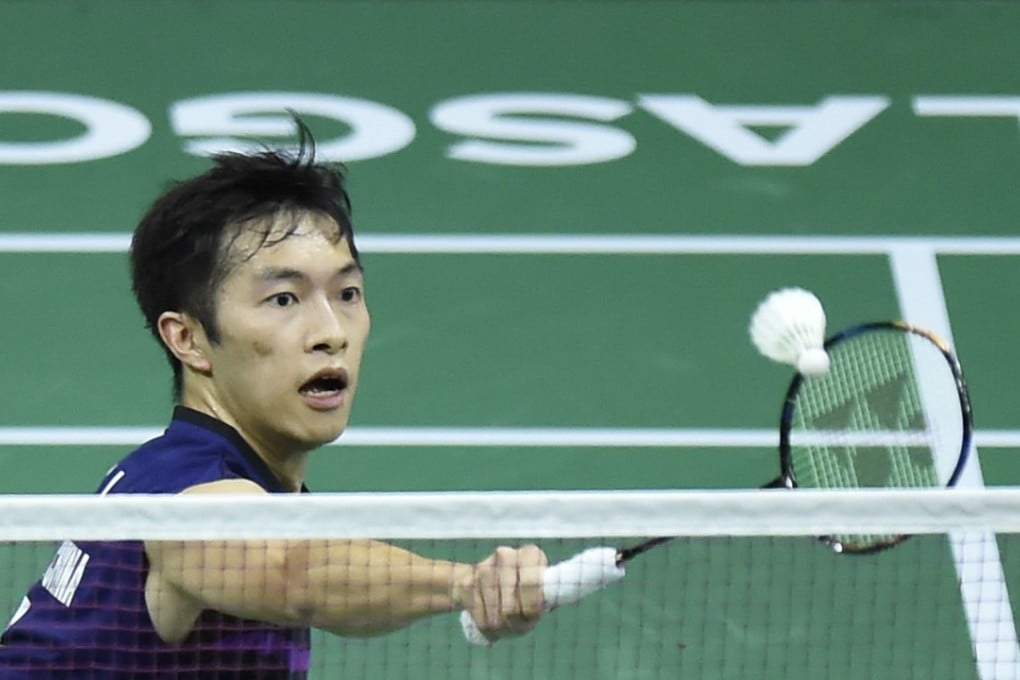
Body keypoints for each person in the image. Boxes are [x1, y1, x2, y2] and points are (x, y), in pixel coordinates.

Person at [0, 123, 547, 678]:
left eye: (347, 294)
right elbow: (295, 573)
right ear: (188, 339)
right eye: (284, 299)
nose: (330, 332)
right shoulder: (184, 495)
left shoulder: (204, 479)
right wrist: (465, 583)